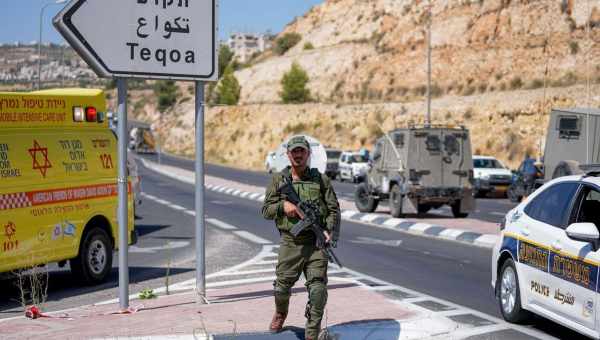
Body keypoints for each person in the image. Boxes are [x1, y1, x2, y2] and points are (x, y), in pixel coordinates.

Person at [261, 135, 341, 340]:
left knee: (318, 290)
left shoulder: (321, 180)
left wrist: (329, 231)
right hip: (291, 243)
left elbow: (334, 209)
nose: (298, 155)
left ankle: (311, 333)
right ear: (288, 155)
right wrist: (283, 206)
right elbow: (266, 210)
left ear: (308, 154)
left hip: (315, 243)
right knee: (281, 287)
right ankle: (281, 313)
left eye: (301, 151)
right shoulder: (280, 180)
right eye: (294, 152)